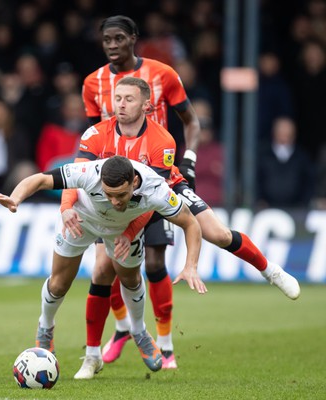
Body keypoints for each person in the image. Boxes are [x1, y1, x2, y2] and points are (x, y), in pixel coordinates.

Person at [62, 77, 301, 379]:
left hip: (163, 194)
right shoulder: (98, 133)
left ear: (147, 105)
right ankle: (109, 340)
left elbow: (153, 201)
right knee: (101, 270)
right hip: (116, 203)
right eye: (117, 99)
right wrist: (67, 207)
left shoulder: (162, 140)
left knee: (217, 234)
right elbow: (70, 174)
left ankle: (270, 271)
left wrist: (129, 232)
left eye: (128, 99)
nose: (120, 105)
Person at [0, 155, 205, 375]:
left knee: (130, 279)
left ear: (134, 182)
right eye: (108, 195)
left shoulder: (156, 189)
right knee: (58, 284)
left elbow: (191, 223)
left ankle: (139, 331)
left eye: (120, 195)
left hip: (122, 231)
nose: (114, 202)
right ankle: (45, 328)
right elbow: (39, 179)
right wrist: (16, 199)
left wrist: (191, 265)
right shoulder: (89, 172)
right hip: (80, 222)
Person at [73, 15, 200, 370]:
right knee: (106, 265)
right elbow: (94, 134)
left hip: (154, 177)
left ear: (133, 39)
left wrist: (187, 161)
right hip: (113, 186)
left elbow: (191, 121)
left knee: (156, 262)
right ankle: (121, 328)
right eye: (106, 41)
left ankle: (165, 343)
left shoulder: (163, 74)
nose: (112, 46)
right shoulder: (92, 82)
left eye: (118, 39)